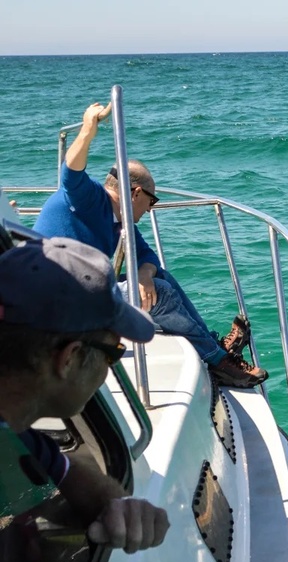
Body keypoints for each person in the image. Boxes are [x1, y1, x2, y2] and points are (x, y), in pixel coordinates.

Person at [32, 102, 267, 389]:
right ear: (136, 193)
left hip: (81, 289)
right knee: (161, 295)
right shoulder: (92, 198)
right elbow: (70, 175)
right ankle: (219, 363)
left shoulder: (121, 223)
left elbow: (148, 257)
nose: (151, 209)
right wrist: (88, 131)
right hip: (57, 298)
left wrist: (144, 274)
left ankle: (216, 350)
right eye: (151, 201)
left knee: (159, 278)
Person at [0, 237, 169, 553]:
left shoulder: (14, 430)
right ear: (70, 358)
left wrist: (115, 506)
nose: (107, 370)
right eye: (112, 353)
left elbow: (64, 469)